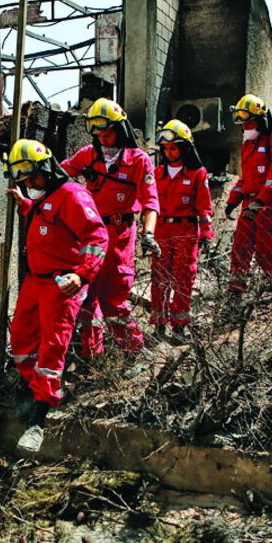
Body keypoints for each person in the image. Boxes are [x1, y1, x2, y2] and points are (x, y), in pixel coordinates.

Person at [4, 138, 109, 453]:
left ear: (47, 168)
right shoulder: (45, 197)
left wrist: (82, 274)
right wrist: (24, 204)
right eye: (24, 180)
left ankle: (39, 420)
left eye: (32, 177)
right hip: (35, 282)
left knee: (52, 350)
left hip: (61, 285)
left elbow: (97, 236)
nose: (29, 184)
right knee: (20, 342)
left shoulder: (73, 195)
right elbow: (48, 223)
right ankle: (36, 391)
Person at [59, 98, 159, 357]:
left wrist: (148, 233)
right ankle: (93, 356)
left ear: (121, 130)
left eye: (108, 134)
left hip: (120, 234)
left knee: (113, 298)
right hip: (91, 234)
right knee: (87, 295)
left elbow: (150, 202)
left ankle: (134, 351)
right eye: (99, 135)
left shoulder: (138, 160)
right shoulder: (88, 155)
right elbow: (58, 174)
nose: (104, 139)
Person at [224, 94, 272, 310]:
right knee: (240, 249)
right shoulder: (248, 145)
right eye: (242, 124)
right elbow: (245, 179)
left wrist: (259, 201)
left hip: (270, 205)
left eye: (248, 122)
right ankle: (235, 294)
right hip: (250, 205)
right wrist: (232, 201)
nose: (245, 127)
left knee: (267, 251)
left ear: (261, 119)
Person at [149, 120, 214, 339]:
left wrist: (206, 233)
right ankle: (158, 323)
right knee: (159, 278)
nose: (169, 152)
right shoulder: (157, 173)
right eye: (166, 148)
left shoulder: (197, 174)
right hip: (161, 232)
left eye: (174, 148)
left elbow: (204, 207)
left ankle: (179, 325)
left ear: (185, 148)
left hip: (186, 232)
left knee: (183, 278)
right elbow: (149, 205)